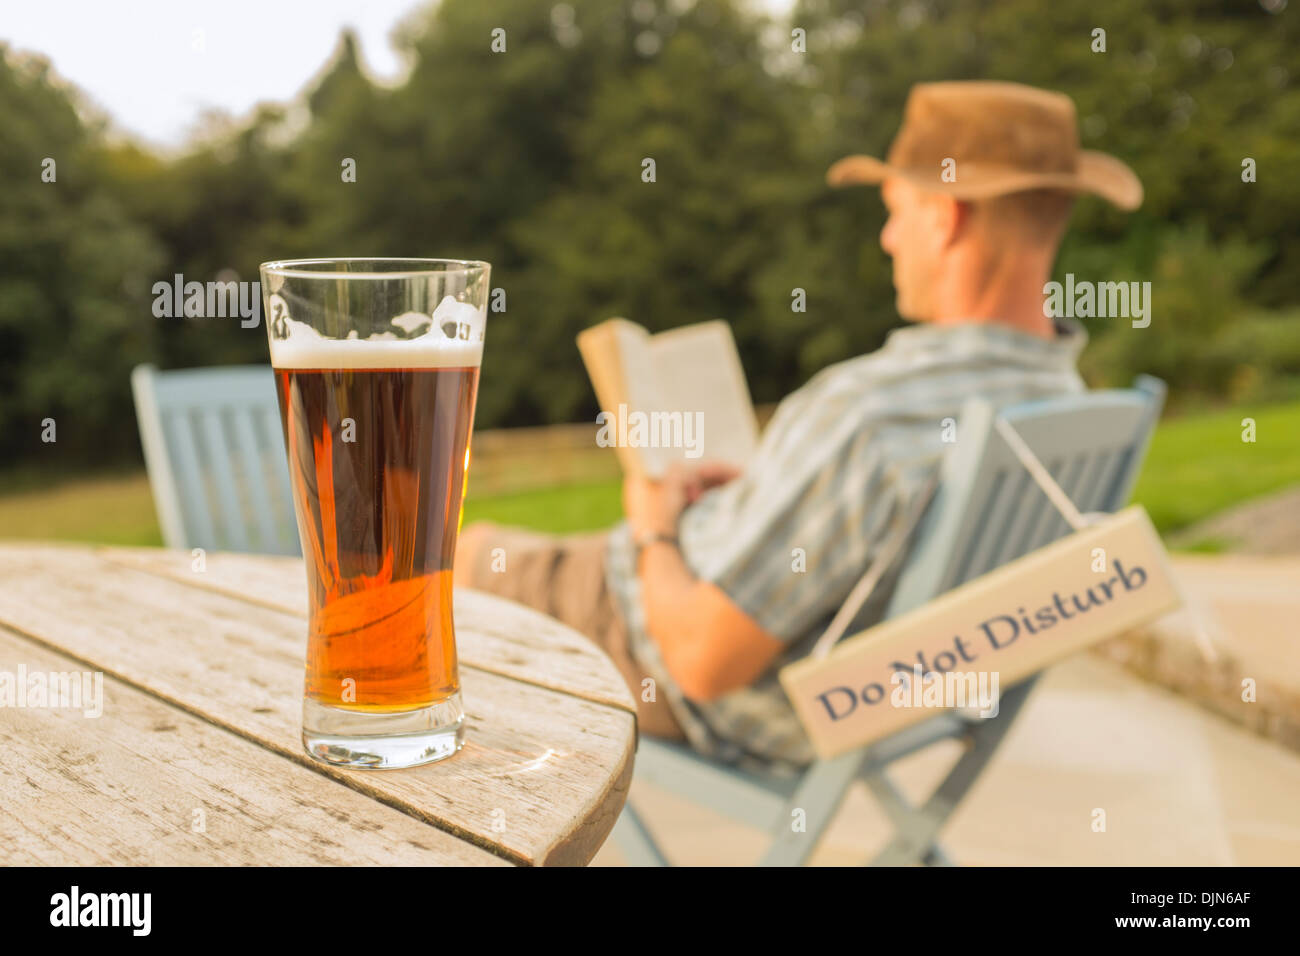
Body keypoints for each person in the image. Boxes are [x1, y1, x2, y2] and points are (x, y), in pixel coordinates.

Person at [456, 81, 1143, 773]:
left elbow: (701, 661)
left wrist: (651, 526)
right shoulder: (1066, 400)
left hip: (678, 663)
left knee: (458, 555)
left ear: (947, 216)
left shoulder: (871, 417)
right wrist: (759, 492)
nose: (887, 238)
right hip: (882, 708)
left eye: (896, 211)